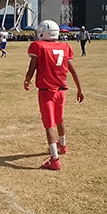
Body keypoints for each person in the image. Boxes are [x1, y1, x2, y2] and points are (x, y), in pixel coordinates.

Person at [24, 20, 84, 170]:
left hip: (47, 92)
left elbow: (32, 66)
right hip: (61, 90)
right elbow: (73, 70)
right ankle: (63, 146)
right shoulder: (65, 47)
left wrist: (27, 80)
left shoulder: (38, 46)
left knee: (49, 124)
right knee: (59, 119)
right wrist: (79, 89)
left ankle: (54, 159)